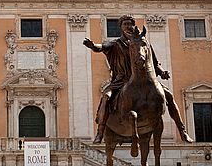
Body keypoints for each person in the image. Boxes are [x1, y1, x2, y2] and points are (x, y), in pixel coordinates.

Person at [83, 15, 193, 144]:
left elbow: (154, 63)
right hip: (121, 81)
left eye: (130, 24)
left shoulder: (143, 42)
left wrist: (162, 72)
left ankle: (182, 130)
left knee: (168, 95)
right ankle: (100, 132)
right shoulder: (115, 43)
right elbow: (101, 47)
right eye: (125, 24)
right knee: (106, 97)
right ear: (121, 27)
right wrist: (92, 46)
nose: (128, 26)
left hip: (143, 80)